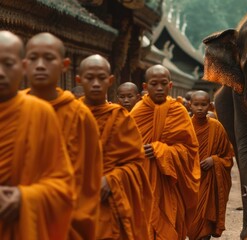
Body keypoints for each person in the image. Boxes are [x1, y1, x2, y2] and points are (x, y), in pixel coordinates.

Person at [23, 32, 103, 240]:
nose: (40, 65)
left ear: (65, 65)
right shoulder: (10, 110)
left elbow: (88, 181)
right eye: (33, 58)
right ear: (24, 64)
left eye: (49, 58)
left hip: (66, 220)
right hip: (15, 219)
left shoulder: (80, 116)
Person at [0, 31, 74, 239]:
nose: (0, 72)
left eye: (8, 63)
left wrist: (24, 198)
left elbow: (63, 186)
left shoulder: (41, 113)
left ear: (23, 67)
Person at [76, 54, 153, 240]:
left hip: (109, 202)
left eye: (101, 78)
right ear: (79, 80)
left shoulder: (121, 118)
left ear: (110, 80)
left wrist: (112, 179)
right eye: (89, 78)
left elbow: (136, 164)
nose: (96, 83)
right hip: (74, 201)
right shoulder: (69, 114)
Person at [130, 64, 200, 240]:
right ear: (145, 87)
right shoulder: (138, 111)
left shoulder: (179, 111)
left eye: (163, 83)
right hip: (143, 182)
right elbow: (125, 148)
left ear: (170, 85)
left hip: (170, 183)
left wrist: (161, 150)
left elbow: (190, 150)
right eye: (154, 84)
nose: (159, 88)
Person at [187, 90, 234, 240]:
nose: (200, 108)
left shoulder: (217, 127)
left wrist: (214, 160)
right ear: (190, 105)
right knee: (191, 220)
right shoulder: (184, 126)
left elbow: (227, 157)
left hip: (209, 180)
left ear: (210, 106)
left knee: (205, 220)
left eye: (203, 104)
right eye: (196, 104)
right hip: (189, 181)